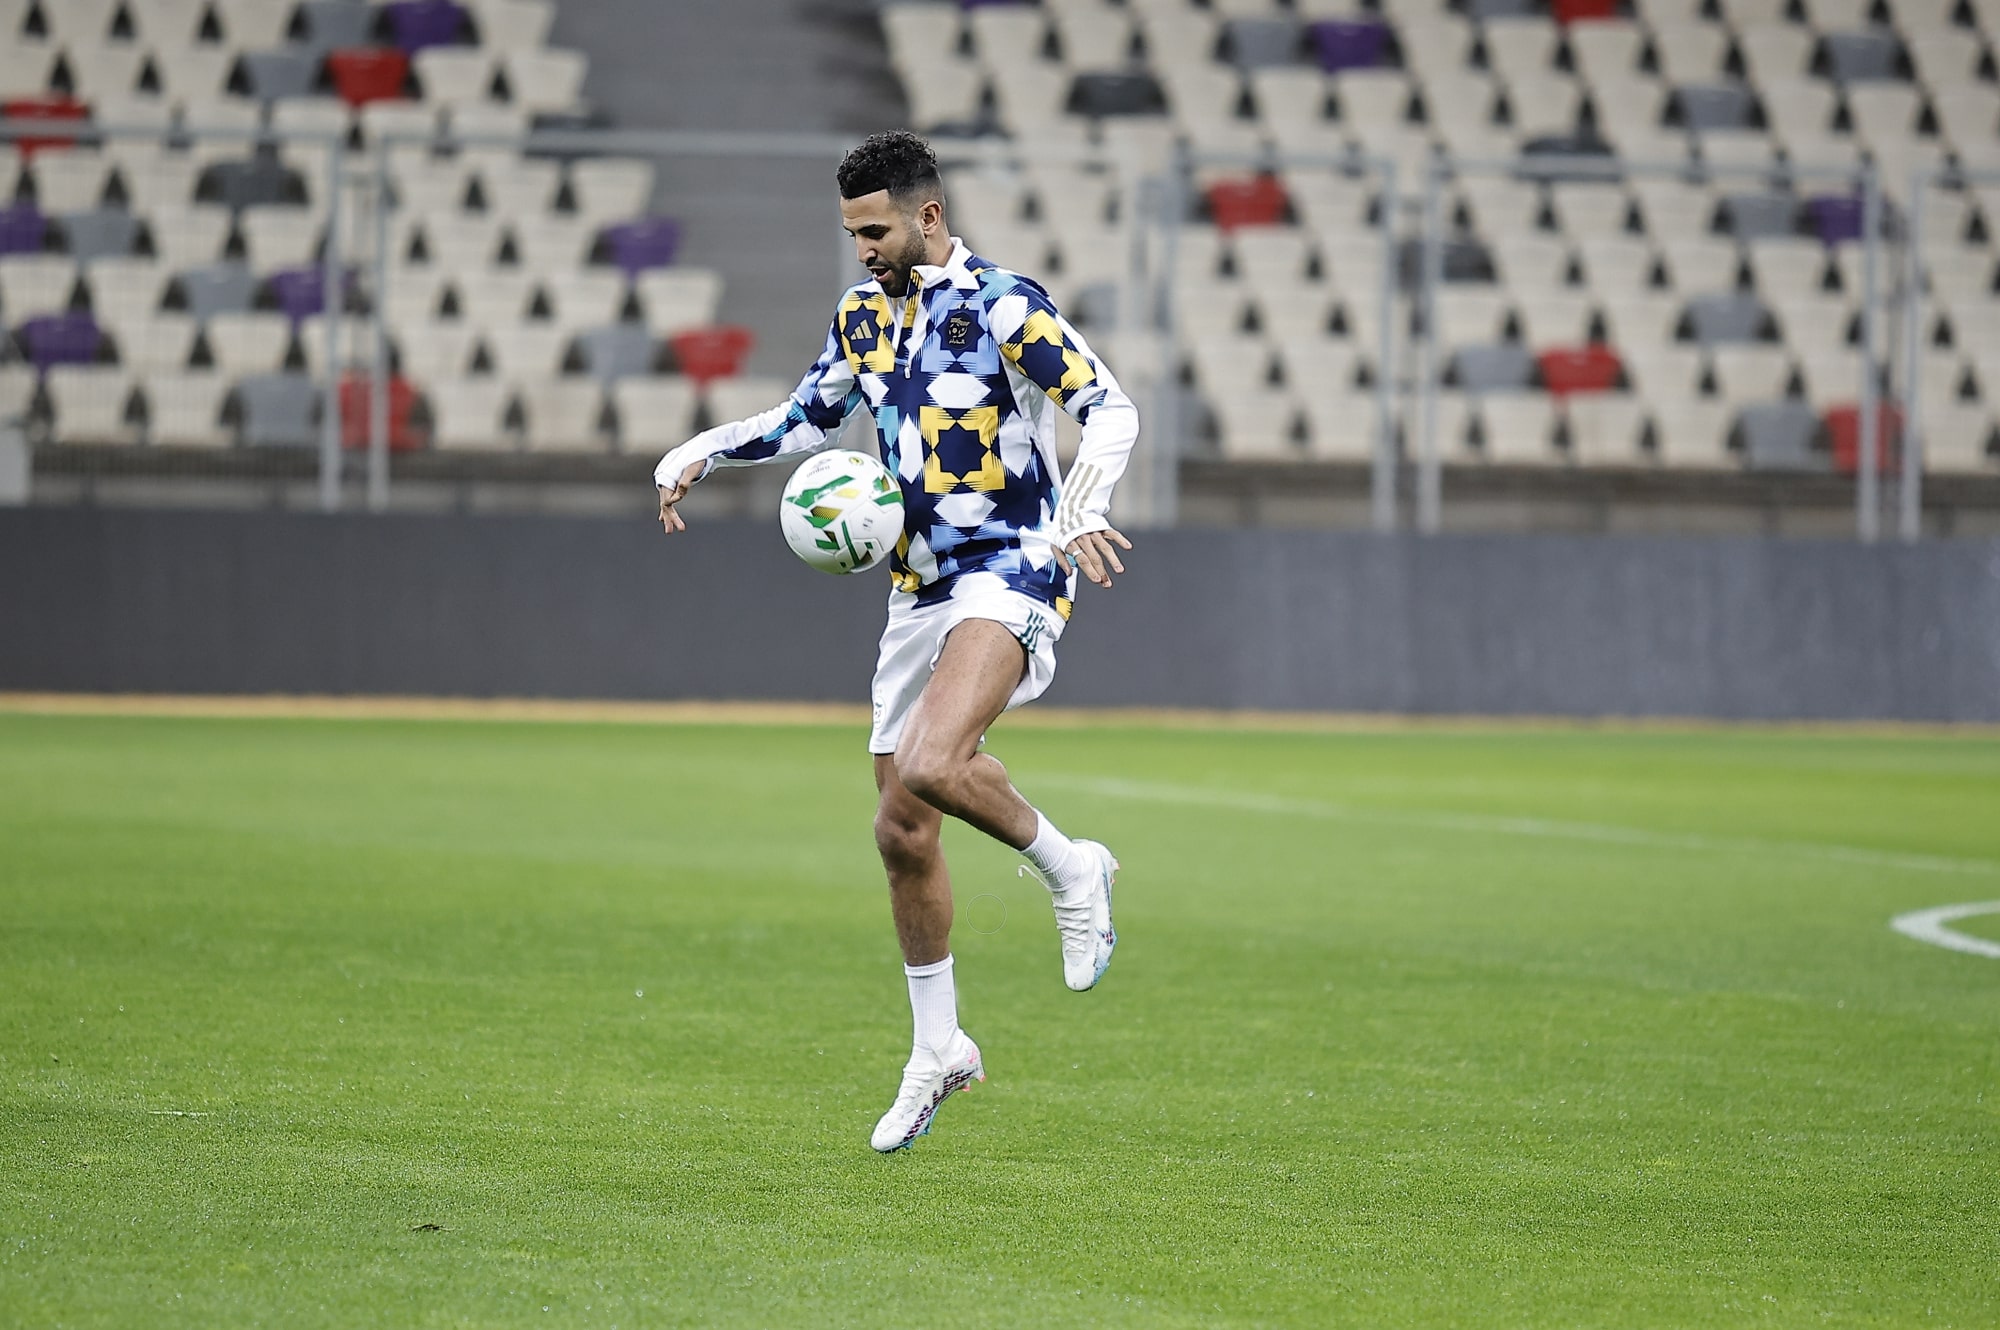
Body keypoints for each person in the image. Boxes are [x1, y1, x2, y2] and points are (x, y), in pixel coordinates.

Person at [653, 131, 1140, 1152]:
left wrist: (1083, 505)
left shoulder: (1004, 302)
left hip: (1012, 565)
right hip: (916, 590)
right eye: (849, 234)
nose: (861, 249)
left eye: (873, 230)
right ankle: (938, 1049)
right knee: (899, 827)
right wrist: (702, 446)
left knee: (928, 762)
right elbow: (806, 416)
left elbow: (1107, 408)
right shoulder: (861, 316)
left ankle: (1069, 867)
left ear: (927, 216)